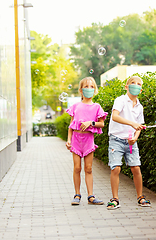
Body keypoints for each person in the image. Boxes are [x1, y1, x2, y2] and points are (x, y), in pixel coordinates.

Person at [107, 76, 150, 209]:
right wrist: (132, 123)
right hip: (116, 140)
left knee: (136, 168)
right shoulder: (120, 100)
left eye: (138, 84)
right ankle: (115, 199)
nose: (135, 86)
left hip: (131, 142)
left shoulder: (139, 107)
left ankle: (140, 197)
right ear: (126, 87)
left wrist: (135, 137)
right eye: (133, 83)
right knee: (116, 168)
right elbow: (115, 116)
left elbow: (140, 126)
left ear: (141, 90)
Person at [66, 77, 108, 206]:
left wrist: (91, 122)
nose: (89, 89)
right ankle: (77, 195)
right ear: (80, 90)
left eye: (91, 86)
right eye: (86, 86)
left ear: (95, 90)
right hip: (76, 139)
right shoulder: (75, 106)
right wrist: (69, 140)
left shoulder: (96, 107)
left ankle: (91, 196)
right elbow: (71, 125)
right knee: (77, 168)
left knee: (88, 168)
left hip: (89, 139)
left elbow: (102, 124)